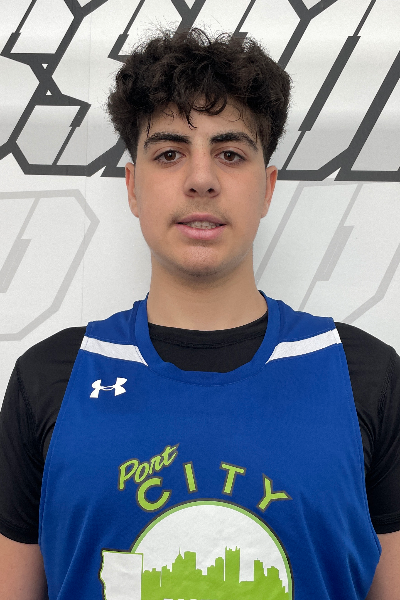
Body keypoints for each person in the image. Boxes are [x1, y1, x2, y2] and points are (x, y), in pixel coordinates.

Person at [0, 28, 399, 600]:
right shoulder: (49, 378)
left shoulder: (366, 376)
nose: (201, 179)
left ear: (267, 188)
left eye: (230, 153)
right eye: (169, 153)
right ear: (133, 188)